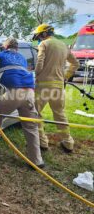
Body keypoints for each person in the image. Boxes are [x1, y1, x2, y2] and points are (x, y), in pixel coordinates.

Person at [0, 38, 45, 168]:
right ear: (17, 48)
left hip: (14, 92)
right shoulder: (22, 58)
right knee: (31, 126)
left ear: (5, 47)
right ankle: (37, 161)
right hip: (29, 92)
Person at [32, 24, 79, 152]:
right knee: (60, 114)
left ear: (43, 34)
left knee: (36, 113)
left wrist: (35, 74)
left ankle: (42, 142)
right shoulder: (64, 45)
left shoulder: (44, 44)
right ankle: (68, 142)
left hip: (43, 86)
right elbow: (75, 63)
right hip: (58, 86)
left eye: (39, 37)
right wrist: (65, 76)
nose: (39, 40)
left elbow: (40, 62)